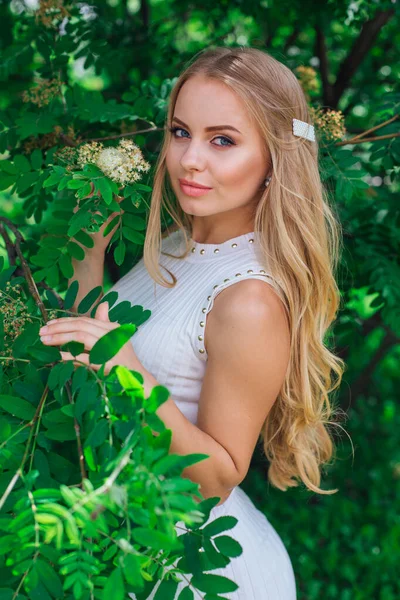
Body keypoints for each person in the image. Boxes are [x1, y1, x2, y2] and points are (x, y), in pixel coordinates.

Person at [39, 46, 346, 599]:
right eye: (181, 132)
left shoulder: (249, 297)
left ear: (276, 157)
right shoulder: (178, 244)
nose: (189, 160)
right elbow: (94, 353)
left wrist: (129, 374)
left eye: (222, 140)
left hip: (199, 572)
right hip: (125, 545)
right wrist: (86, 263)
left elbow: (216, 480)